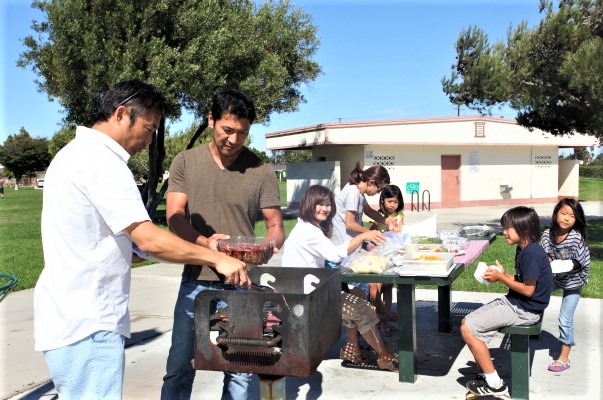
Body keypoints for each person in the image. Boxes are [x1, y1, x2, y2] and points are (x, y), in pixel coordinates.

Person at [34, 80, 250, 400]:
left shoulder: (76, 154)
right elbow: (147, 238)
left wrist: (198, 246)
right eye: (149, 129)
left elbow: (108, 236)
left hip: (70, 317)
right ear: (122, 114)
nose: (150, 140)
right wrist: (216, 258)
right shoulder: (101, 161)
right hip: (88, 324)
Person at [162, 88, 285, 400]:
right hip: (196, 280)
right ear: (211, 121)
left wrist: (263, 250)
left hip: (241, 283)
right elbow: (174, 216)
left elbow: (275, 228)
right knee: (180, 364)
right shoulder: (186, 162)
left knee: (240, 370)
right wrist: (206, 245)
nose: (233, 139)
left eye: (242, 133)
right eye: (227, 130)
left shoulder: (261, 170)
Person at [281, 185, 398, 371]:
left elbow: (325, 258)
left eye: (328, 205)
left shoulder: (306, 227)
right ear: (309, 204)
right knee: (361, 307)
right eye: (319, 204)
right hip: (307, 297)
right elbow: (335, 255)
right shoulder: (308, 231)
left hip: (308, 289)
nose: (324, 209)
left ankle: (353, 349)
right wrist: (362, 236)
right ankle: (383, 355)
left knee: (358, 293)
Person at [460, 206, 552, 398]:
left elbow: (528, 290)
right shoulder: (524, 249)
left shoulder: (532, 254)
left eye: (507, 228)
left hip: (524, 310)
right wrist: (503, 274)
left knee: (468, 328)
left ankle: (495, 385)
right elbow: (522, 279)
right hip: (517, 303)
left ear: (523, 228)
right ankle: (485, 376)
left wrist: (501, 279)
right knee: (467, 323)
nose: (504, 232)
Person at [540, 198, 590, 373]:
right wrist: (547, 263)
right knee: (534, 296)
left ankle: (564, 358)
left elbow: (582, 263)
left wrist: (568, 265)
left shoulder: (576, 238)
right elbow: (546, 254)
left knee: (565, 319)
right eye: (564, 213)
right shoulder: (547, 234)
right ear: (556, 214)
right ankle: (530, 330)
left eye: (572, 216)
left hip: (573, 281)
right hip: (554, 277)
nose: (567, 218)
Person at [332, 161, 394, 299]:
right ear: (371, 182)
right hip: (345, 249)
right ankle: (368, 314)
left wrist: (385, 220)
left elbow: (368, 210)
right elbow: (350, 224)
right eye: (379, 189)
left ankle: (373, 311)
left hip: (352, 246)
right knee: (363, 285)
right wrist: (368, 234)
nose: (378, 193)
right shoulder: (353, 192)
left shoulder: (359, 191)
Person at [368, 184, 405, 334]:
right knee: (375, 287)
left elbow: (400, 234)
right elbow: (370, 234)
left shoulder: (399, 215)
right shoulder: (377, 215)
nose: (392, 205)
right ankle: (377, 317)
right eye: (390, 201)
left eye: (395, 202)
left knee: (388, 286)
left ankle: (385, 318)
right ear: (382, 200)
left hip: (391, 256)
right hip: (377, 256)